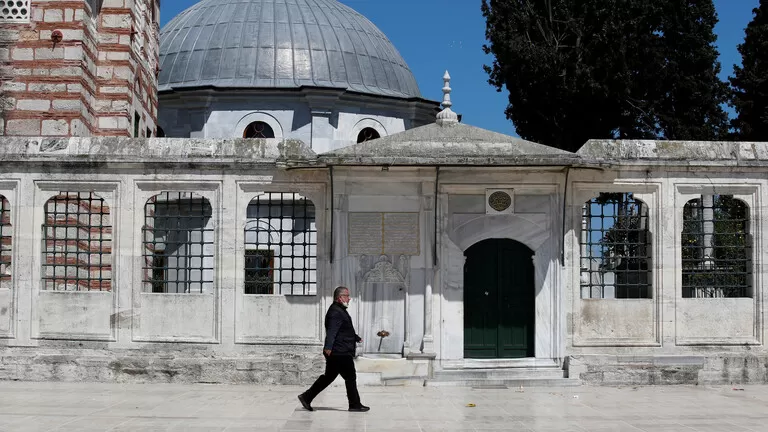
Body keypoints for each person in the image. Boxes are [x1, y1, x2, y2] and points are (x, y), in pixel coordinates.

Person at [298, 286, 370, 412]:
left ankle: (306, 397)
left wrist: (356, 337)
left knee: (328, 377)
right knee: (350, 377)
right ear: (340, 297)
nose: (349, 298)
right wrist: (328, 347)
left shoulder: (339, 310)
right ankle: (354, 404)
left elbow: (343, 329)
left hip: (338, 350)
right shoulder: (336, 312)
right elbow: (332, 331)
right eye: (347, 296)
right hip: (339, 351)